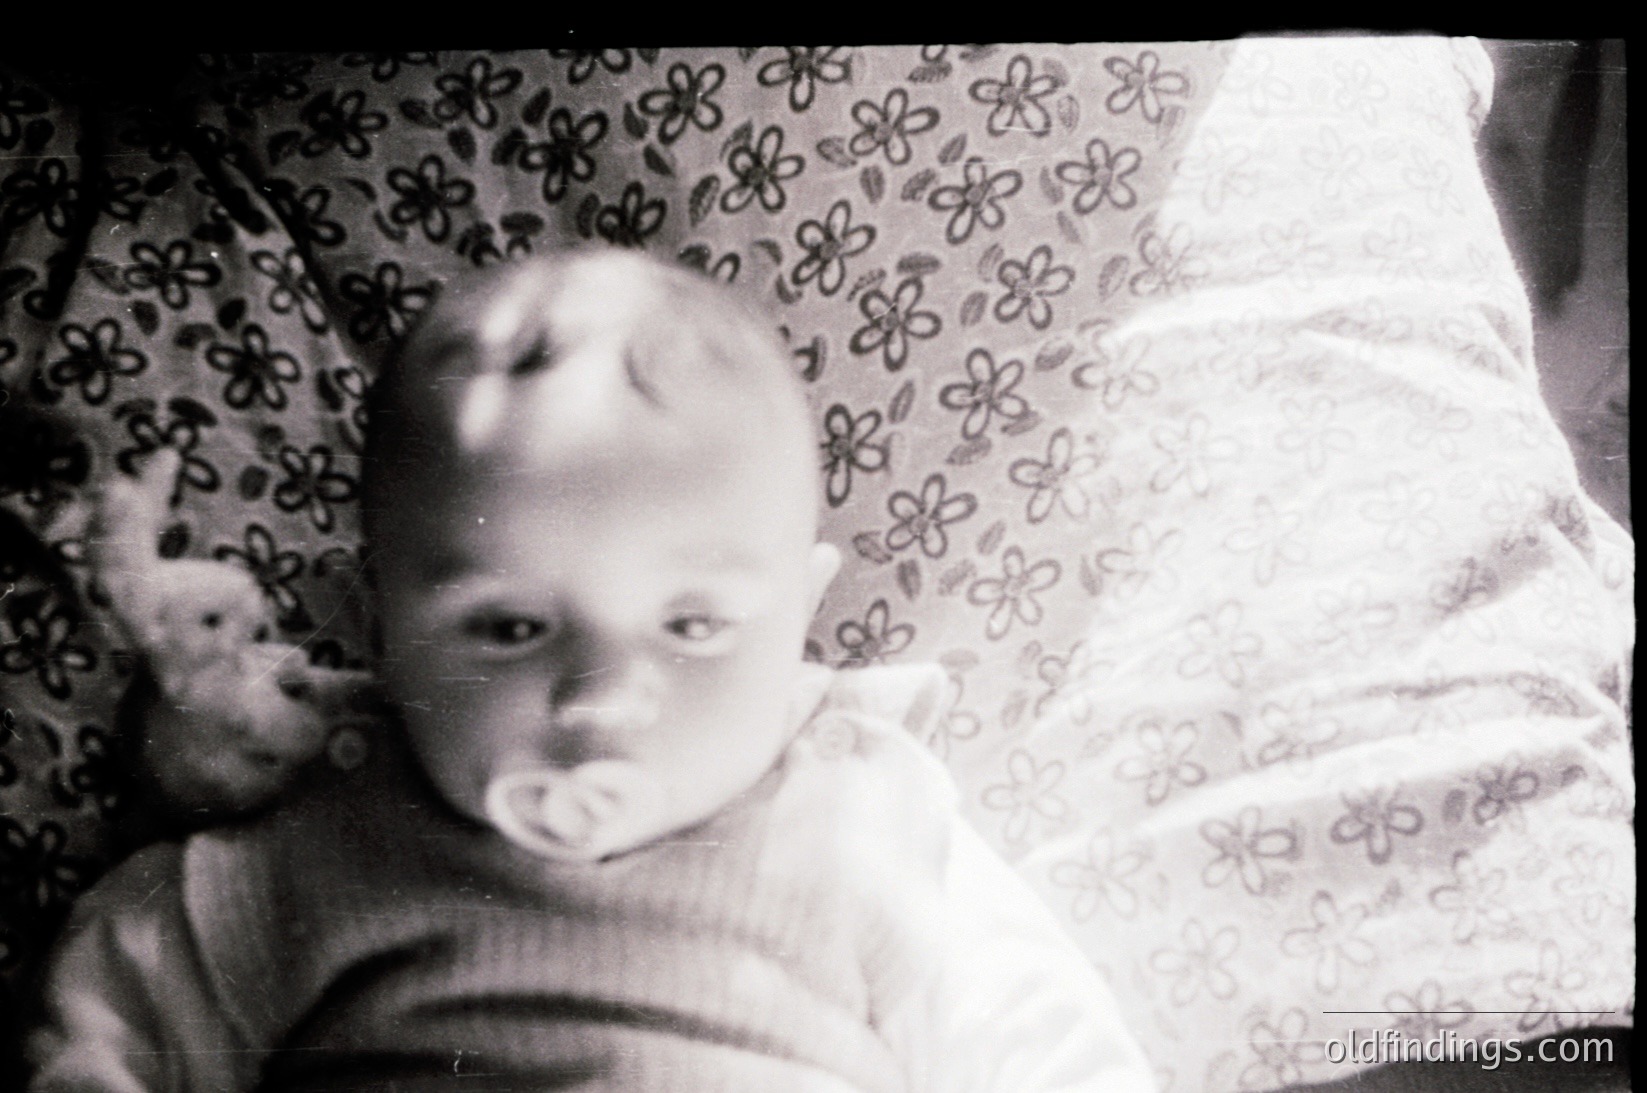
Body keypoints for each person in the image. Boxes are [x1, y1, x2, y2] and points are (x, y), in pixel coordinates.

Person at [26, 248, 1154, 1092]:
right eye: (512, 627)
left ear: (802, 621)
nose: (604, 697)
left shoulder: (863, 818)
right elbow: (111, 1017)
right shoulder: (316, 841)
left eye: (696, 623)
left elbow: (1053, 1049)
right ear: (380, 629)